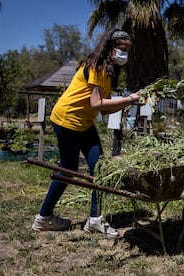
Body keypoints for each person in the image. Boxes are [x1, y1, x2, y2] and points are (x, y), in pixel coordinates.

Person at [32, 29, 140, 237]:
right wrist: (129, 99)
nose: (125, 54)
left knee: (98, 168)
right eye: (122, 49)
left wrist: (130, 102)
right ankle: (44, 218)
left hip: (84, 122)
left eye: (128, 50)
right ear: (110, 48)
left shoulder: (109, 72)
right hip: (67, 120)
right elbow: (97, 102)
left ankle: (94, 220)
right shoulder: (96, 67)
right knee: (68, 169)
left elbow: (104, 108)